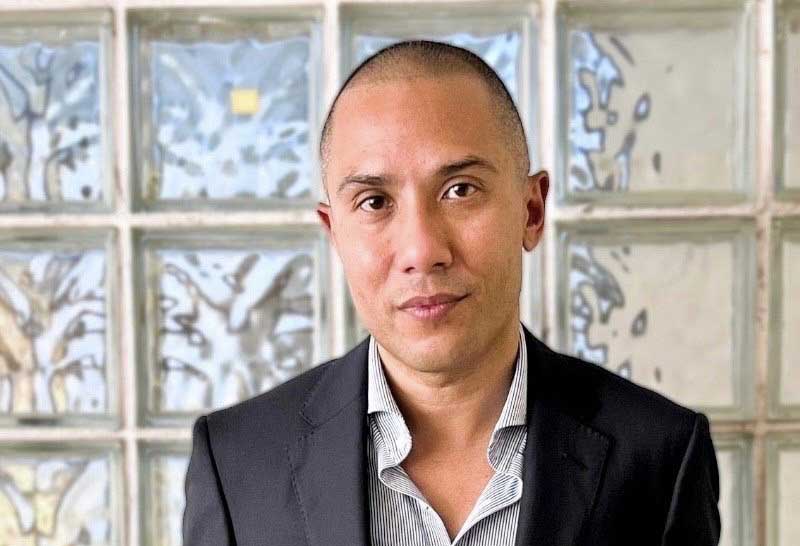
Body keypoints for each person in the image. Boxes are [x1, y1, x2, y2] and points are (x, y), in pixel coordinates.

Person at [182, 40, 721, 546]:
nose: (422, 250)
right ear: (335, 234)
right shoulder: (236, 464)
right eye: (374, 202)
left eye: (460, 190)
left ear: (531, 211)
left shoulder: (660, 456)